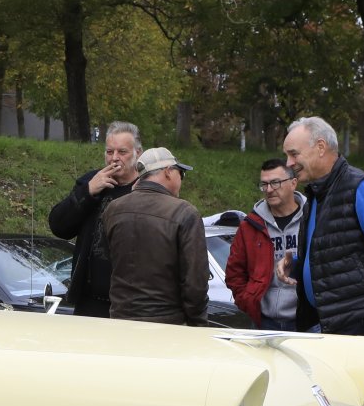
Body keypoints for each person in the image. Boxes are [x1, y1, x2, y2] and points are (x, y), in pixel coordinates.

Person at [276, 116, 364, 346]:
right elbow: (340, 254)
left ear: (321, 147)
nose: (288, 163)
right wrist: (297, 264)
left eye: (294, 154)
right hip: (327, 324)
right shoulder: (315, 196)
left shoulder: (361, 188)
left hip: (360, 326)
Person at [101, 147, 209, 326]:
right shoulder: (184, 212)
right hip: (167, 322)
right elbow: (195, 282)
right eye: (181, 173)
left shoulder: (113, 209)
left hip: (120, 319)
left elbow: (110, 260)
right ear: (168, 171)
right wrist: (197, 323)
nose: (181, 179)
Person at [48, 120, 143, 317]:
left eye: (122, 152)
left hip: (133, 303)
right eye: (109, 152)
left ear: (138, 154)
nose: (114, 158)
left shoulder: (147, 188)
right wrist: (88, 191)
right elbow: (58, 226)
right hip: (89, 301)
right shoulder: (92, 182)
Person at [225, 159, 306, 329]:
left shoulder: (312, 218)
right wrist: (247, 300)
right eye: (264, 184)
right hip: (264, 322)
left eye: (275, 183)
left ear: (293, 183)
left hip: (307, 322)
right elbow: (234, 272)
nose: (269, 190)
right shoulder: (250, 226)